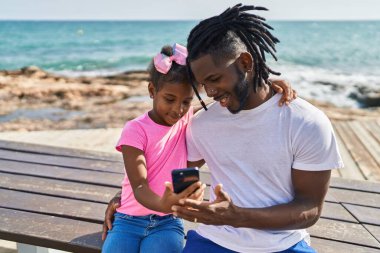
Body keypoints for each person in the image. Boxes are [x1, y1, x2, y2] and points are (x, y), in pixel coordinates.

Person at [170, 4, 344, 253]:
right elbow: (169, 166)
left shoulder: (307, 122)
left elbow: (310, 208)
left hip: (284, 244)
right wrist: (129, 200)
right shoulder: (201, 124)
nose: (209, 92)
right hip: (213, 241)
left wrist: (236, 216)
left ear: (245, 62)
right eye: (202, 84)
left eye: (214, 79)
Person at [101, 42, 296, 253]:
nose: (178, 109)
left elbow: (227, 97)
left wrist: (265, 84)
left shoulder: (187, 118)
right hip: (128, 220)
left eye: (186, 101)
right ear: (152, 91)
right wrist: (163, 204)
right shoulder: (135, 130)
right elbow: (139, 186)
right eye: (169, 99)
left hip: (167, 222)